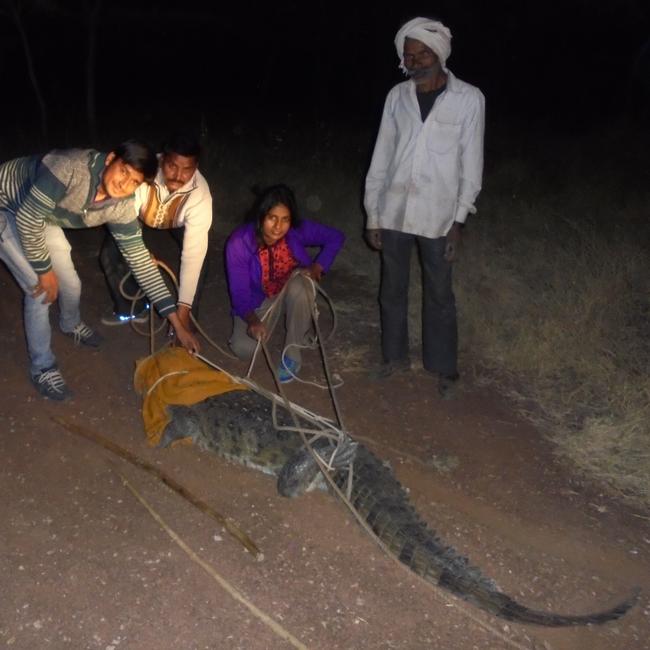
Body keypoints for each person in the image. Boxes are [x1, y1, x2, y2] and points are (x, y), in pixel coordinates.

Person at [0, 140, 200, 402]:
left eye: (134, 181)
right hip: (7, 203)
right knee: (39, 290)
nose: (124, 184)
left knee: (70, 282)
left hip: (38, 211)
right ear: (110, 160)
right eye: (123, 171)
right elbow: (27, 219)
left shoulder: (120, 205)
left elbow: (140, 261)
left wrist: (178, 324)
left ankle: (70, 323)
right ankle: (42, 368)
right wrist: (43, 270)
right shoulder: (68, 168)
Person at [364, 16, 485, 398]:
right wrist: (373, 213)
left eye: (422, 53)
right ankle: (393, 357)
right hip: (395, 208)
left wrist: (459, 220)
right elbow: (381, 156)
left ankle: (444, 368)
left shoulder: (469, 99)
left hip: (439, 214)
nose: (414, 61)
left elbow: (472, 163)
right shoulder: (396, 97)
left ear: (440, 55)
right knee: (392, 289)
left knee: (439, 293)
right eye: (409, 55)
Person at [225, 184, 344, 383]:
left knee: (301, 286)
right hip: (259, 298)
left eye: (285, 219)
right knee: (244, 349)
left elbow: (336, 237)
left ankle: (293, 351)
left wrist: (318, 267)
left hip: (291, 288)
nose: (278, 227)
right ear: (260, 216)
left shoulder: (295, 232)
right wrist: (253, 320)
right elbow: (239, 292)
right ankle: (276, 318)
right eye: (272, 218)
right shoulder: (240, 243)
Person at [99, 133, 213, 331]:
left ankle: (186, 319)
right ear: (162, 160)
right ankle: (133, 309)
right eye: (172, 166)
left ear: (196, 167)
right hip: (137, 214)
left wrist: (183, 308)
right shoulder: (143, 173)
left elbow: (192, 255)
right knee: (109, 254)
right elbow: (124, 219)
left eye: (187, 169)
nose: (178, 175)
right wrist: (139, 251)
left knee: (199, 259)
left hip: (178, 221)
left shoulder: (201, 195)